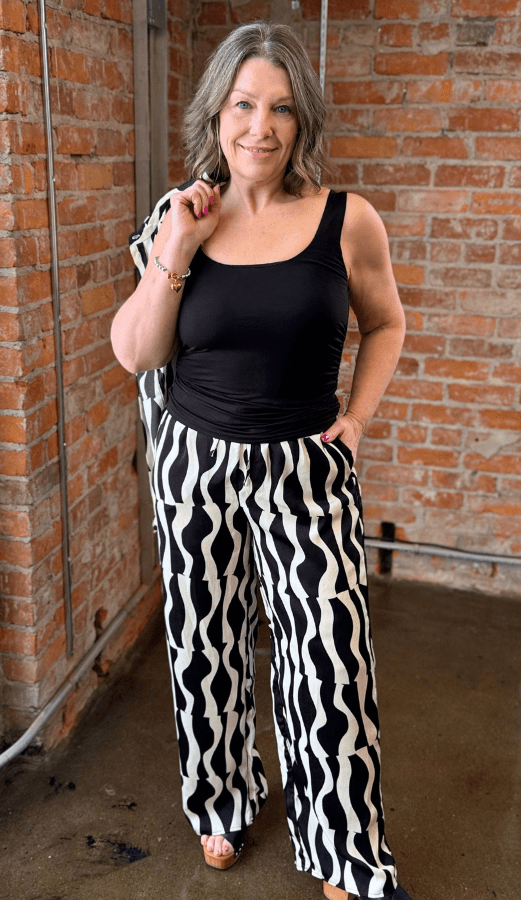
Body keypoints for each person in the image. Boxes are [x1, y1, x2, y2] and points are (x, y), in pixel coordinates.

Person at [111, 21, 412, 900]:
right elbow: (136, 353)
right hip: (195, 466)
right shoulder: (177, 217)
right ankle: (222, 801)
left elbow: (387, 322)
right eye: (244, 104)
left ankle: (345, 846)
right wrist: (175, 249)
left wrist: (357, 419)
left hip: (307, 471)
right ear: (217, 113)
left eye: (281, 108)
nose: (261, 126)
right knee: (205, 645)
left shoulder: (347, 220)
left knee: (330, 658)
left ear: (302, 120)